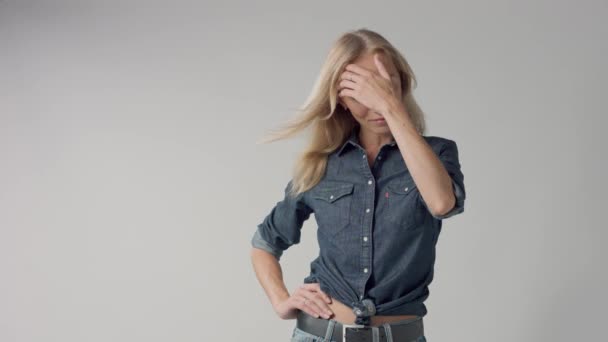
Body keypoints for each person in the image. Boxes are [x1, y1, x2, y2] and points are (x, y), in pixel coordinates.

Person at [250, 28, 466, 342]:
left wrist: (391, 107)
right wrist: (281, 301)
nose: (375, 102)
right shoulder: (321, 165)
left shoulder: (438, 153)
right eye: (360, 90)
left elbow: (441, 203)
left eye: (384, 84)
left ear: (400, 85)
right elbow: (264, 244)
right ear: (340, 99)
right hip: (319, 334)